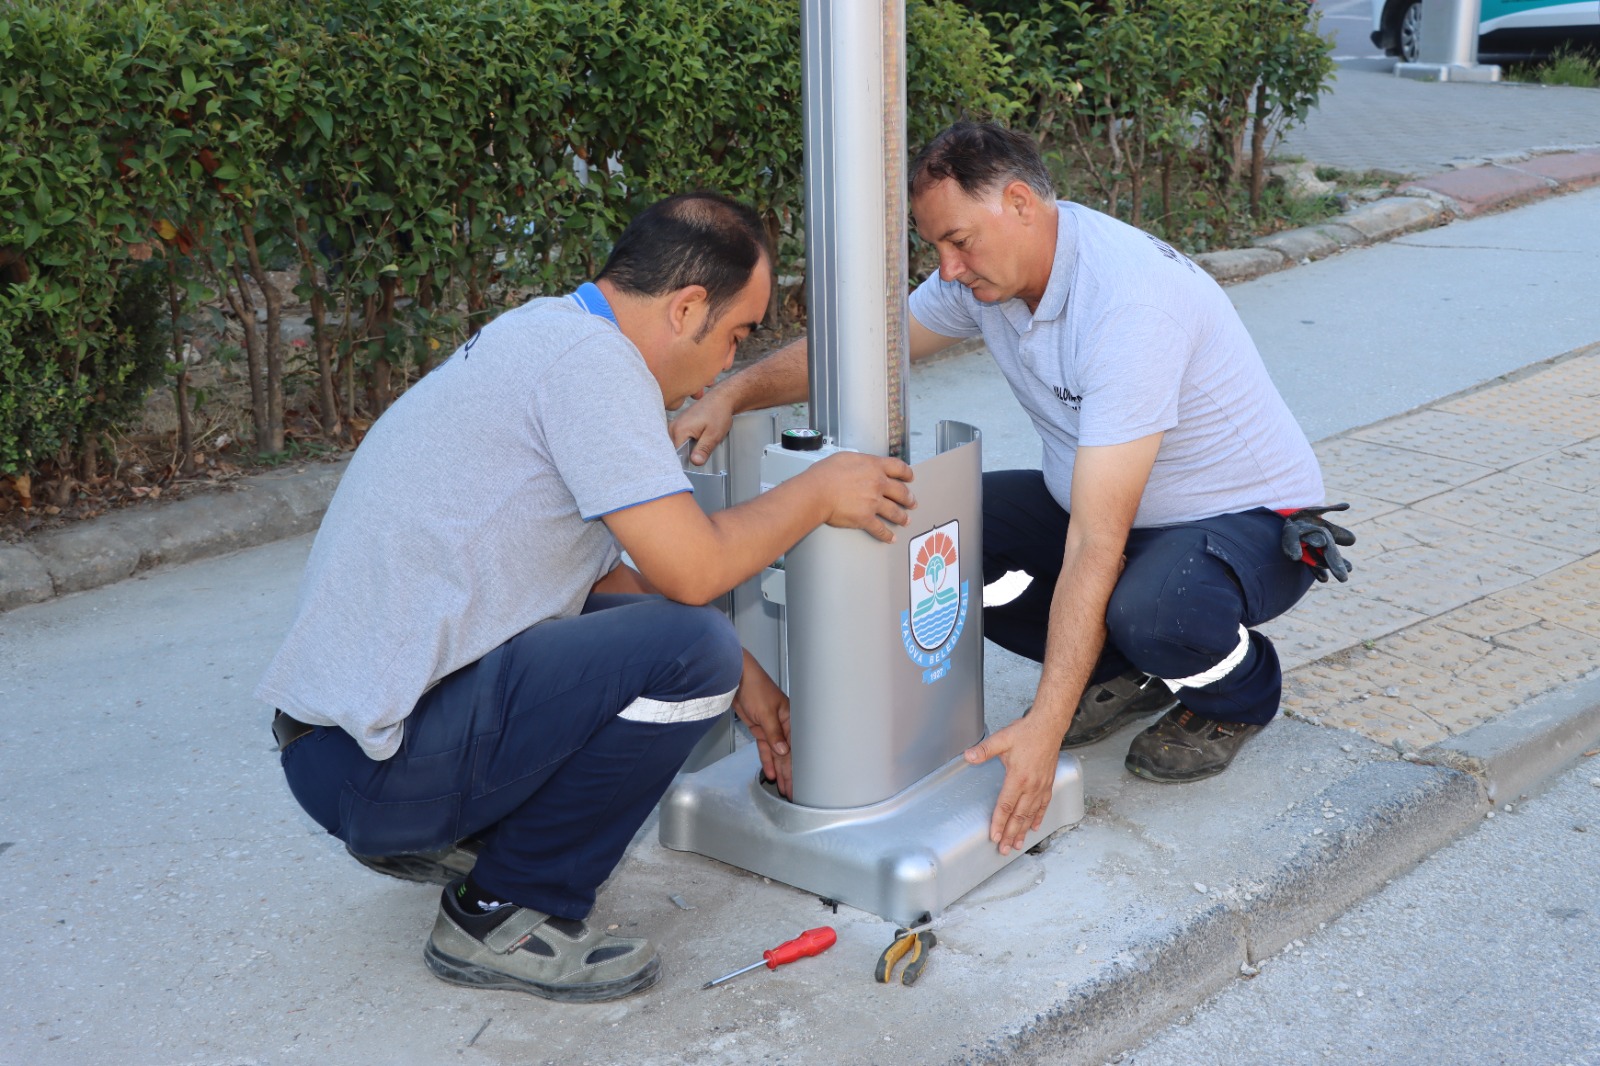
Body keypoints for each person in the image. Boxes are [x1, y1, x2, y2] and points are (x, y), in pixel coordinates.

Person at [255, 192, 915, 1003]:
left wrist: (751, 684)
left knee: (697, 651)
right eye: (738, 335)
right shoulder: (593, 368)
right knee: (693, 655)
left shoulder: (548, 333)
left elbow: (609, 581)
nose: (728, 363)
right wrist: (819, 492)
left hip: (335, 752)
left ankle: (464, 829)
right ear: (686, 307)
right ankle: (503, 909)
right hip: (373, 767)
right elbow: (693, 572)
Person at [672, 122, 1352, 860]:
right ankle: (1124, 672)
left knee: (1157, 610)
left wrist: (1043, 732)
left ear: (1021, 204)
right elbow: (870, 349)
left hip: (1244, 522)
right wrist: (734, 392)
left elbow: (1096, 541)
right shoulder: (990, 277)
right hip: (1109, 511)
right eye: (936, 246)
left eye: (958, 242)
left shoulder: (1130, 307)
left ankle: (1239, 693)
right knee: (939, 537)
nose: (948, 268)